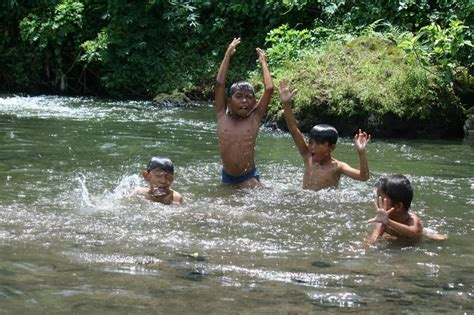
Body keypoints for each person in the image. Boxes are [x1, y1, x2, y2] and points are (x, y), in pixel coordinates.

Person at [277, 79, 370, 191]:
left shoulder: (337, 167)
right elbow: (293, 128)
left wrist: (361, 152)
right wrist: (286, 104)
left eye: (318, 144)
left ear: (331, 147)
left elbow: (363, 177)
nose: (312, 147)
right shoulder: (307, 155)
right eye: (310, 142)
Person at [215, 37, 274, 188]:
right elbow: (219, 83)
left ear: (254, 102)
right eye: (239, 97)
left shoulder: (254, 118)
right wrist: (228, 55)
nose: (244, 101)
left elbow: (269, 89)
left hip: (248, 175)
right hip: (227, 176)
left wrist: (263, 62)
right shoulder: (222, 115)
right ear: (229, 100)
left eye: (249, 98)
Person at [367, 174, 448, 243]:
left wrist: (388, 221)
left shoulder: (412, 219)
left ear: (398, 206)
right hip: (398, 236)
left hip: (418, 237)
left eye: (380, 197)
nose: (377, 200)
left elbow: (413, 233)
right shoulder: (383, 219)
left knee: (437, 238)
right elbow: (374, 238)